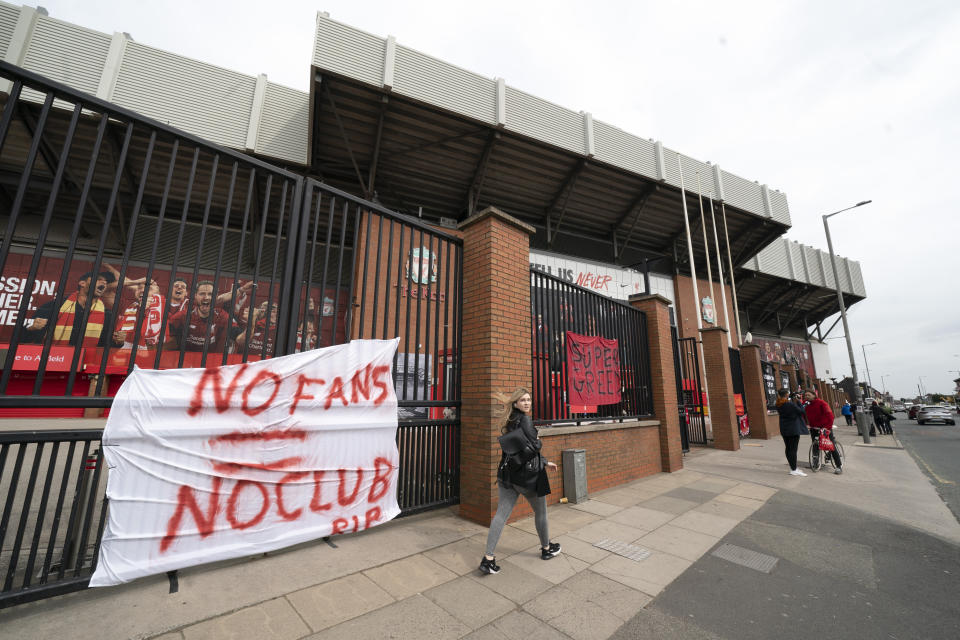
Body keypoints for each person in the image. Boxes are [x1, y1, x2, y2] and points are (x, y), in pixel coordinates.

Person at [480, 388, 561, 575]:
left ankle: (488, 558)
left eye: (529, 400)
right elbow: (532, 448)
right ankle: (546, 548)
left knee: (501, 515)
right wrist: (539, 441)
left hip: (508, 475)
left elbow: (520, 449)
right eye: (523, 400)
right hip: (528, 477)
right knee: (541, 512)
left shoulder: (511, 419)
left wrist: (544, 459)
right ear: (515, 403)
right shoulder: (524, 419)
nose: (527, 403)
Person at [24, 271, 118, 347]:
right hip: (54, 360)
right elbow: (24, 337)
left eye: (106, 282)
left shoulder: (107, 314)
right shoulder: (55, 306)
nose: (104, 283)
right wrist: (31, 328)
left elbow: (104, 347)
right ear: (82, 283)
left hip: (85, 365)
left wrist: (117, 342)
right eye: (98, 279)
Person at [164, 281, 230, 352]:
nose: (206, 297)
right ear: (195, 295)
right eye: (202, 294)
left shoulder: (223, 316)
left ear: (216, 297)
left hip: (210, 360)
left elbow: (238, 338)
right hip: (185, 359)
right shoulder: (182, 316)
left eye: (210, 294)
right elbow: (166, 339)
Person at [804, 389, 842, 474]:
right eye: (805, 395)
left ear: (814, 395)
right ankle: (816, 463)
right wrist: (806, 424)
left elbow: (830, 416)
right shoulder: (807, 405)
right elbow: (803, 415)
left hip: (825, 428)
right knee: (815, 445)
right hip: (814, 428)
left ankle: (838, 466)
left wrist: (827, 428)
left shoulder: (822, 403)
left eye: (808, 395)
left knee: (831, 446)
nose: (806, 397)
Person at [776, 388, 808, 476]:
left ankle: (793, 467)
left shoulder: (779, 403)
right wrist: (798, 401)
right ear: (786, 394)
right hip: (793, 429)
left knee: (788, 448)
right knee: (793, 449)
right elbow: (802, 411)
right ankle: (794, 469)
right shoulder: (789, 404)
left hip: (784, 429)